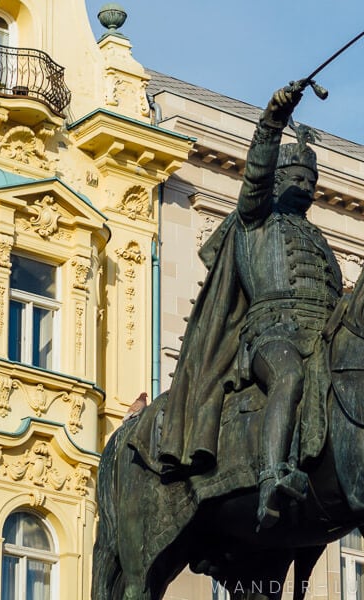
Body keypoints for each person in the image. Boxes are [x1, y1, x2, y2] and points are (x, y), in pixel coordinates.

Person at [133, 84, 342, 530]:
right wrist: (272, 122)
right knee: (289, 377)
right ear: (279, 183)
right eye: (297, 179)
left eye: (311, 182)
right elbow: (256, 176)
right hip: (272, 336)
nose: (305, 187)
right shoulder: (257, 218)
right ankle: (272, 475)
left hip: (319, 337)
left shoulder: (319, 241)